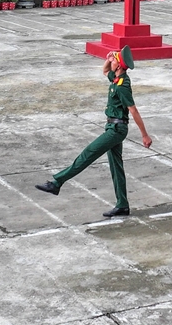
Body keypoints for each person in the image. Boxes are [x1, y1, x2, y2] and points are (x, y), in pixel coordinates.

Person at [35, 46, 154, 218]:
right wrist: (109, 58)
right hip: (112, 127)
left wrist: (144, 135)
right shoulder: (116, 78)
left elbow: (133, 110)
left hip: (117, 130)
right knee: (116, 167)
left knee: (88, 153)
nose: (112, 61)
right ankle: (122, 205)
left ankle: (57, 182)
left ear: (119, 66)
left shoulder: (122, 86)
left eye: (114, 60)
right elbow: (105, 71)